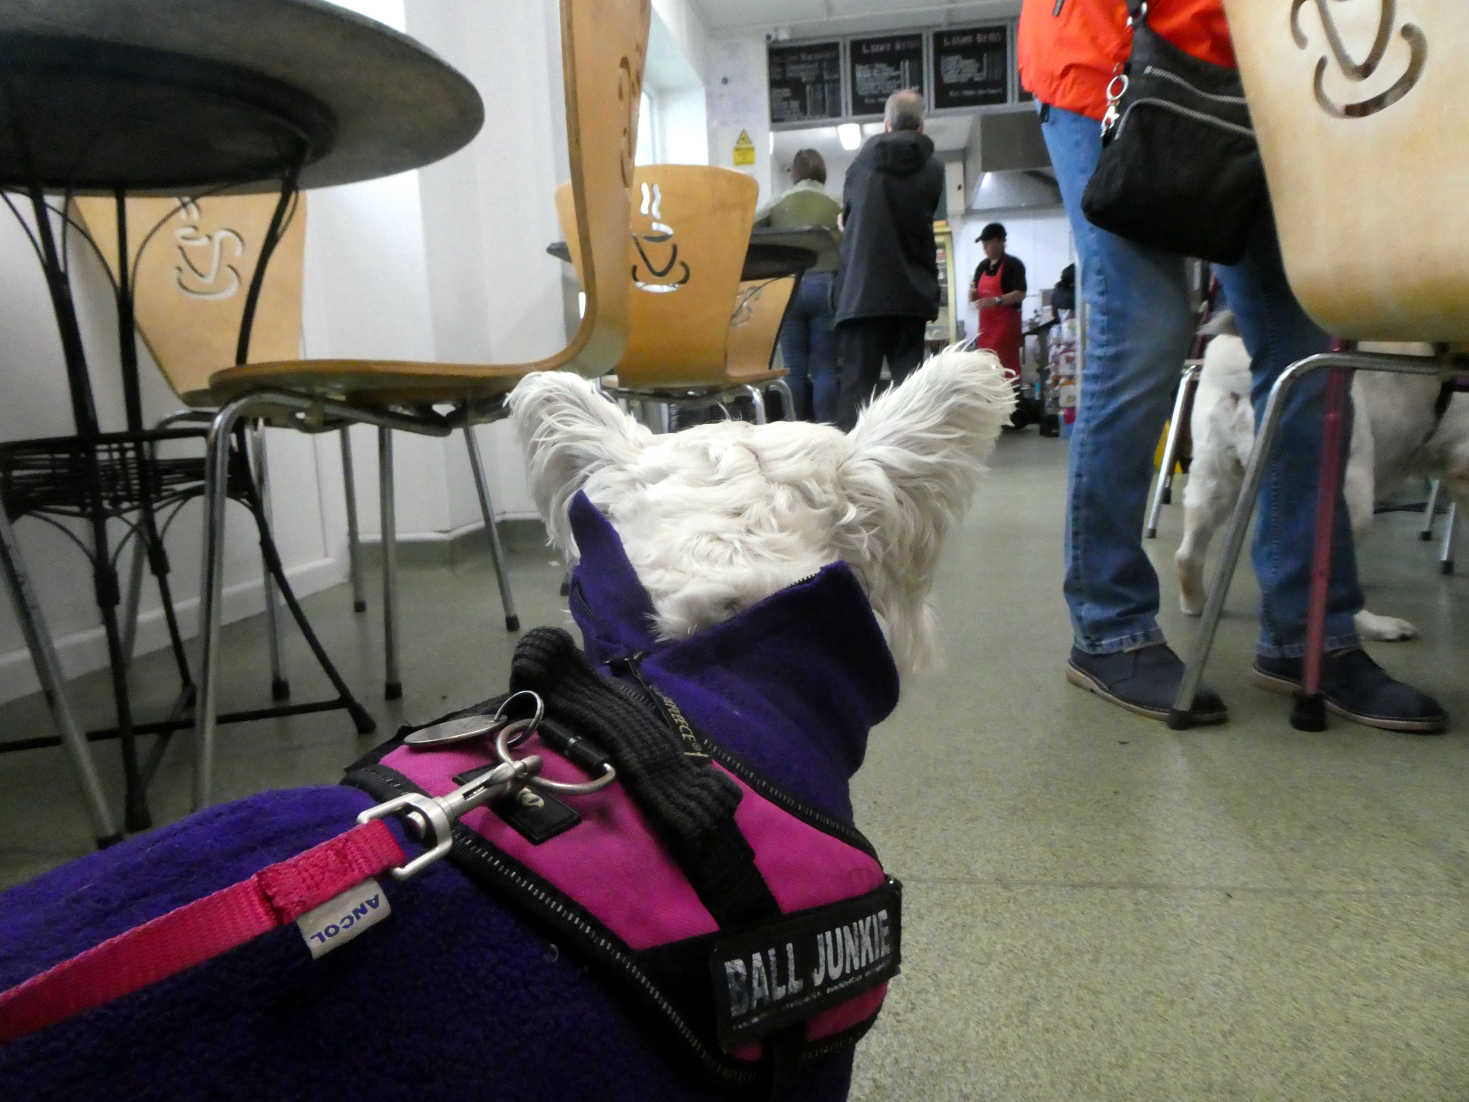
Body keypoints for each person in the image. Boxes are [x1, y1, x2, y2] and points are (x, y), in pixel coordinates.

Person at [1018, 0, 1447, 731]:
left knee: (1305, 350)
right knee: (1142, 335)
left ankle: (1309, 635)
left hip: (1277, 76)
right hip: (1114, 55)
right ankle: (1109, 626)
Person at [832, 88, 944, 431]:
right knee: (910, 389)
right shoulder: (934, 168)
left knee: (856, 389)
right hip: (910, 293)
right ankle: (913, 469)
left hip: (862, 292)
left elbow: (850, 218)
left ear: (886, 124)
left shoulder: (861, 163)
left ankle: (847, 471)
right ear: (921, 126)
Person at [755, 148, 842, 422]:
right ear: (822, 172)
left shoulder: (779, 201)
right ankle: (826, 428)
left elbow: (750, 227)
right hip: (826, 285)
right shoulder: (836, 202)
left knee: (792, 365)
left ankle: (795, 429)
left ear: (794, 172)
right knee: (825, 367)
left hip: (788, 286)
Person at [969, 222, 1028, 390]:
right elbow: (974, 290)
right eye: (983, 244)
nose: (985, 248)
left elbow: (1021, 293)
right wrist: (972, 294)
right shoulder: (982, 266)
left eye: (989, 243)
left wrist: (996, 301)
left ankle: (1013, 411)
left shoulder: (1013, 265)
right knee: (987, 375)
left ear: (1002, 241)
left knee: (1007, 376)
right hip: (986, 332)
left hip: (1006, 332)